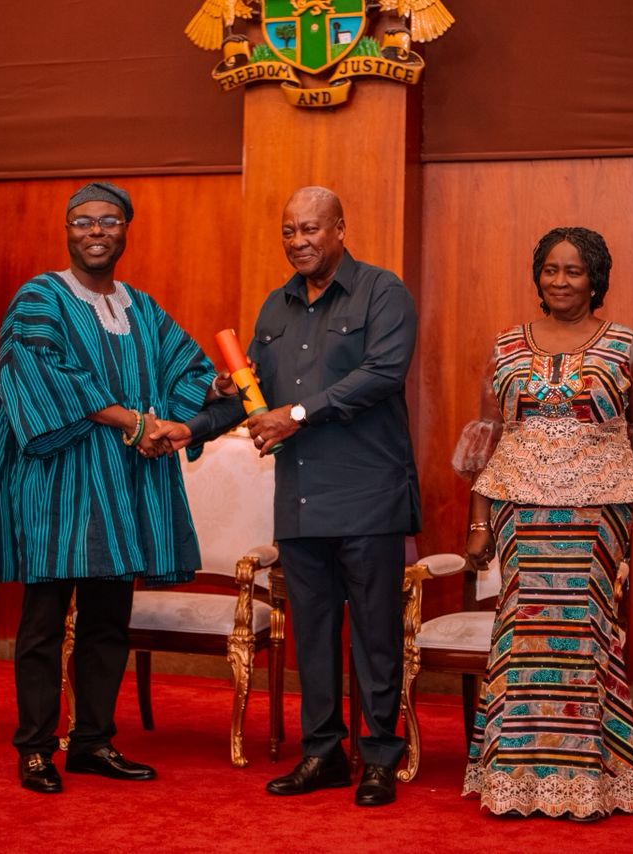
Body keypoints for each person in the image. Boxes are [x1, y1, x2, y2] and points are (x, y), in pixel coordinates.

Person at [0, 182, 219, 794]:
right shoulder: (40, 297)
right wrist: (134, 421)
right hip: (56, 483)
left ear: (125, 231)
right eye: (83, 221)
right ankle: (36, 748)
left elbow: (187, 368)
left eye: (109, 221)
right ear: (67, 230)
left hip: (122, 485)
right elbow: (43, 374)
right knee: (43, 620)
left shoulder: (141, 307)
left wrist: (196, 403)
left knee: (108, 619)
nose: (96, 231)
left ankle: (91, 741)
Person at [156, 186, 421, 807]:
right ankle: (323, 754)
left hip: (369, 496)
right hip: (300, 499)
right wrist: (192, 427)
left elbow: (383, 374)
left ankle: (380, 756)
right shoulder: (275, 308)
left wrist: (296, 413)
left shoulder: (383, 292)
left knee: (375, 635)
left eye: (310, 229)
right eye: (288, 231)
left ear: (340, 229)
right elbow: (250, 397)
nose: (298, 241)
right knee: (315, 634)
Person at [451, 226, 633, 820]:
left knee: (585, 633)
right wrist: (479, 523)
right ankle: (512, 780)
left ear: (595, 279)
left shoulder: (627, 346)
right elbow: (488, 441)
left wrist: (595, 471)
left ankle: (591, 783)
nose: (560, 280)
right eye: (550, 269)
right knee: (522, 630)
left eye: (573, 271)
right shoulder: (506, 345)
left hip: (596, 513)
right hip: (518, 510)